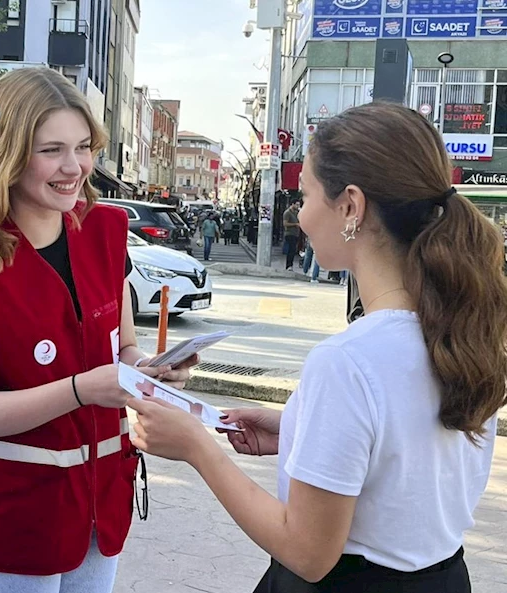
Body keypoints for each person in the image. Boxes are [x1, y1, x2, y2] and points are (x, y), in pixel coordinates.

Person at [125, 102, 507, 592]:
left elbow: (308, 553)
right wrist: (297, 428)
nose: (299, 216)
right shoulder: (463, 327)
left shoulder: (349, 360)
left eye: (304, 195)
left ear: (350, 205)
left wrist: (197, 448)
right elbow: (408, 456)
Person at [0, 67, 197, 593]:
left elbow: (126, 347)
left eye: (83, 146)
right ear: (10, 155)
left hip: (101, 510)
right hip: (14, 523)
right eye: (52, 150)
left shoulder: (107, 233)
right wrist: (82, 389)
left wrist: (148, 371)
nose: (74, 168)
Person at [282, 197, 300, 270]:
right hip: (289, 233)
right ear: (292, 204)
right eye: (297, 205)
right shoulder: (287, 213)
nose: (298, 206)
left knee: (293, 250)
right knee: (291, 250)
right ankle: (289, 265)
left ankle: (290, 265)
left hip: (296, 234)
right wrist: (295, 224)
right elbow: (285, 224)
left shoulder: (296, 213)